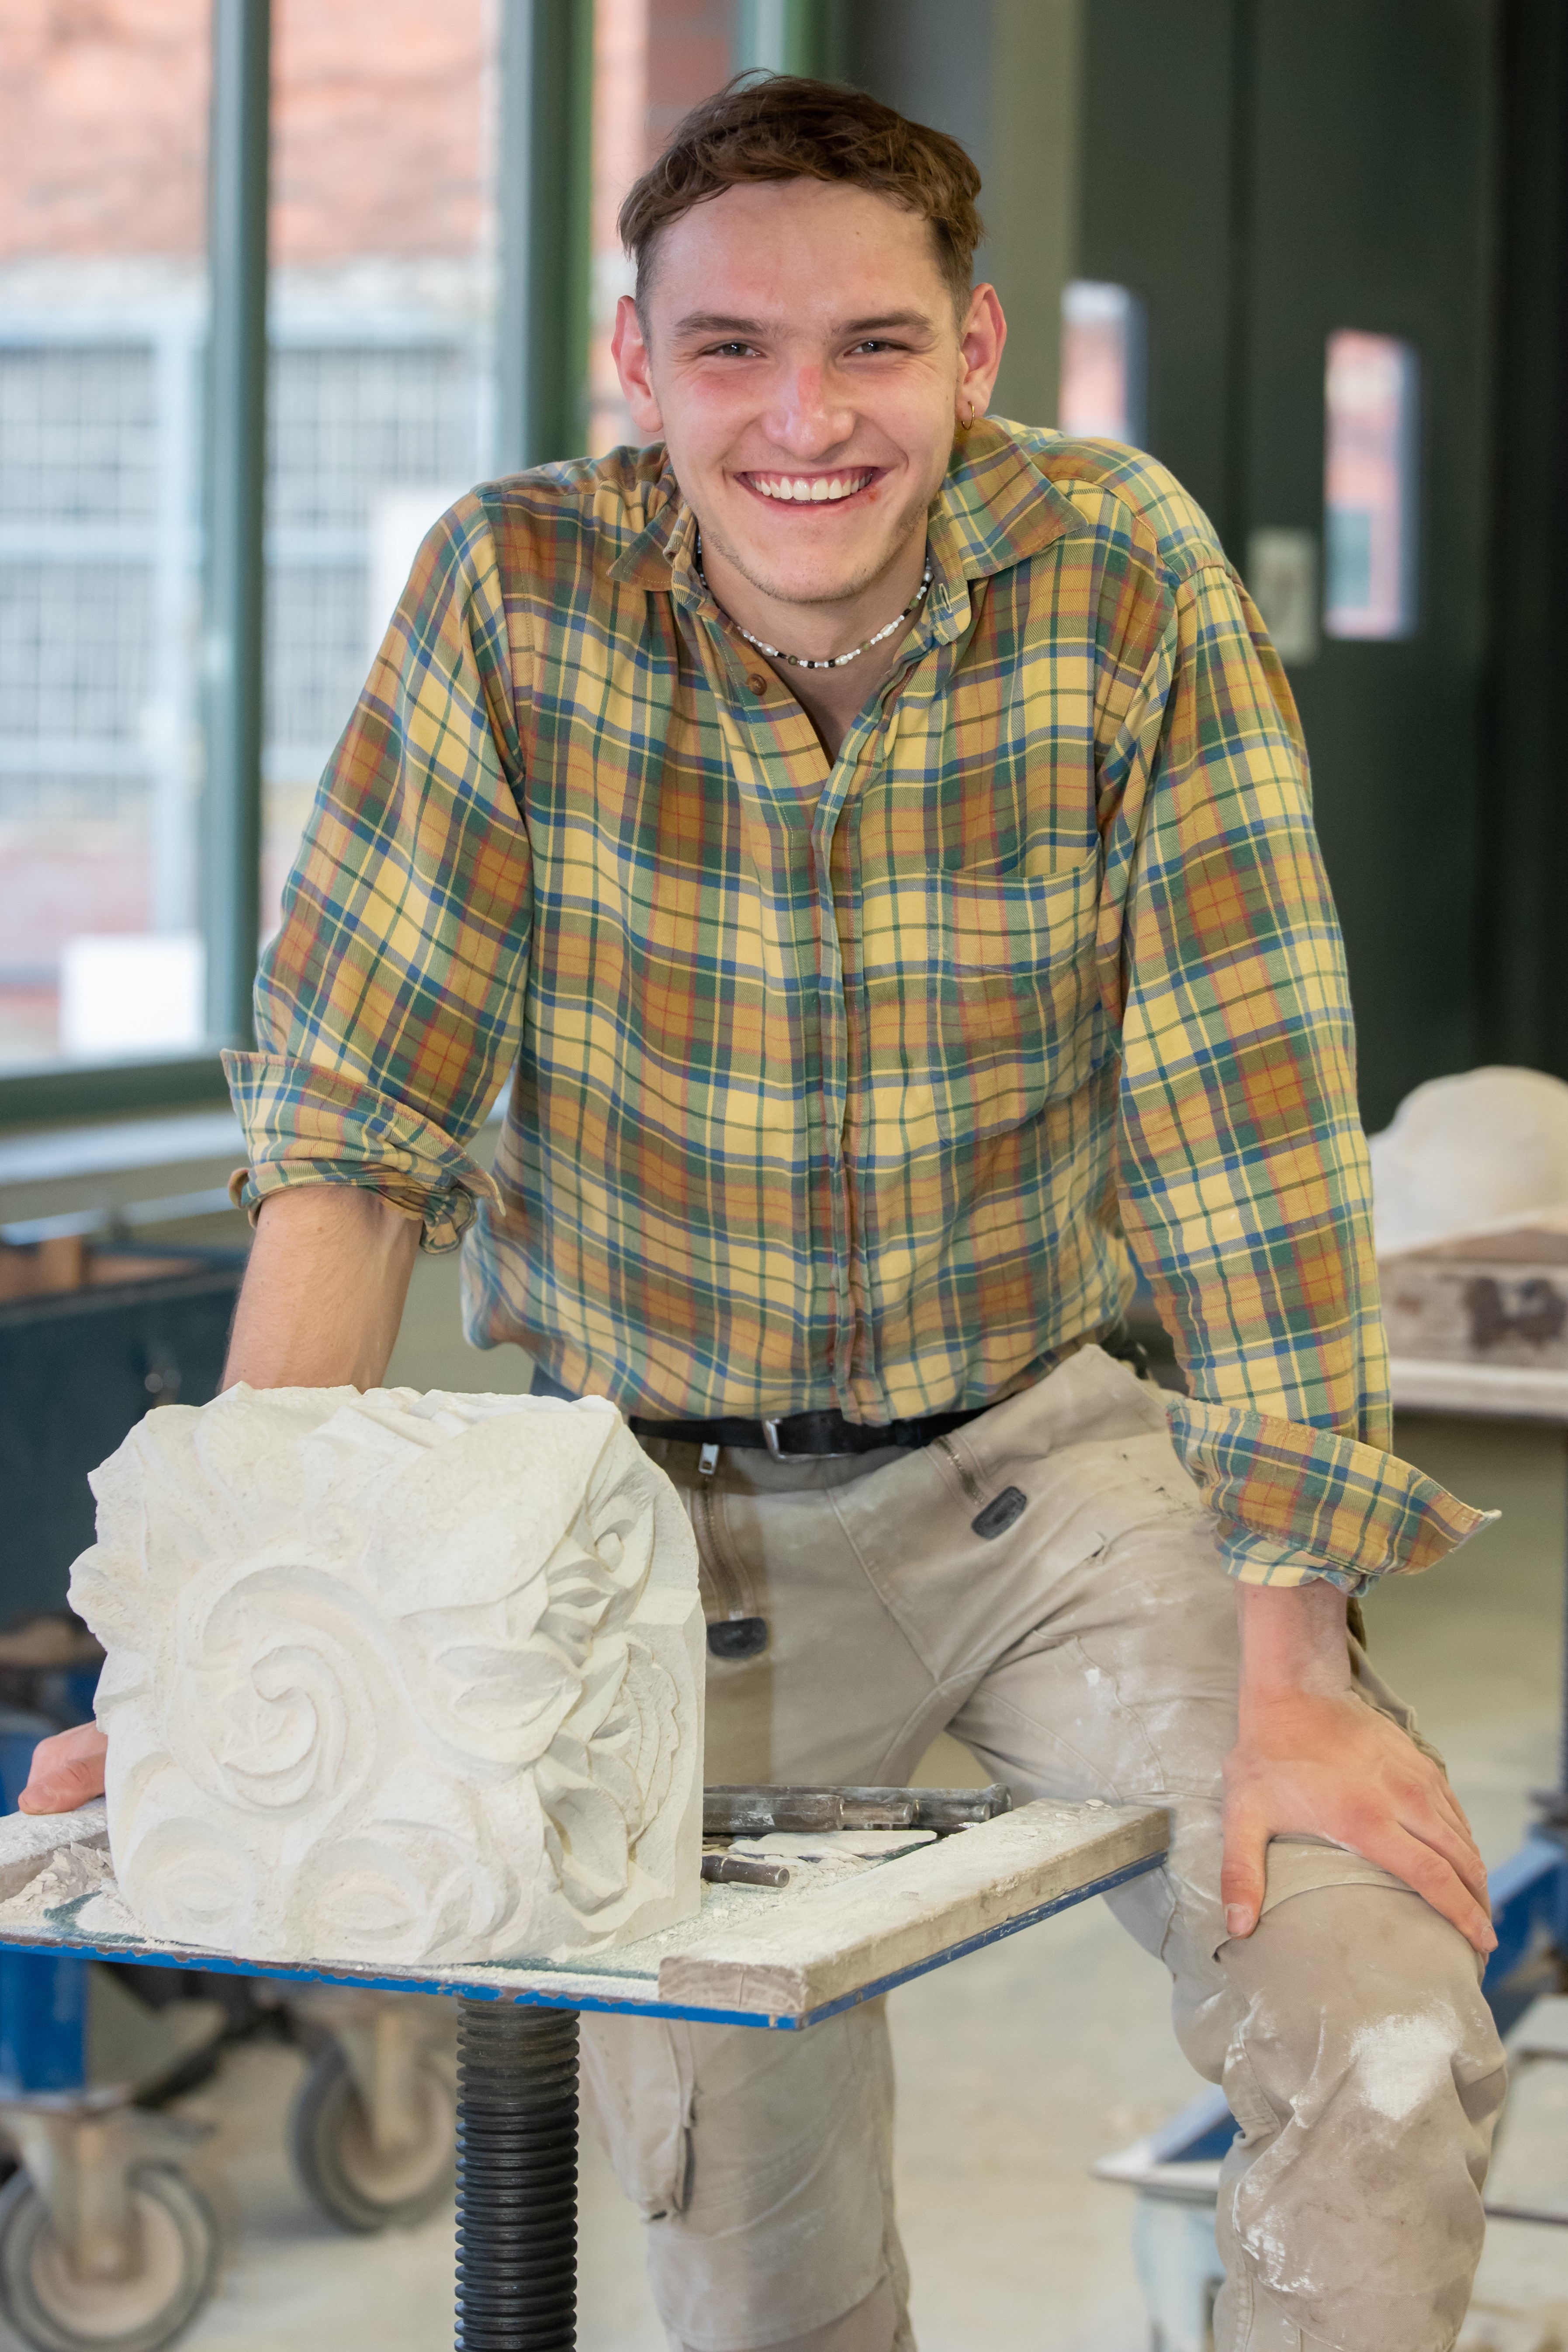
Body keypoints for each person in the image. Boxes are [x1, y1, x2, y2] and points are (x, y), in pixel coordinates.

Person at [28, 76, 1504, 2352]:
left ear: (974, 351)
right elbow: (358, 1118)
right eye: (731, 349)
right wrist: (234, 1638)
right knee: (750, 2246)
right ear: (637, 367)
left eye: (870, 348)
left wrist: (1293, 1666)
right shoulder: (514, 594)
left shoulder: (1120, 578)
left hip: (1049, 1472)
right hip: (644, 1531)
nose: (802, 419)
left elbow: (1249, 1109)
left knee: (1378, 2007)